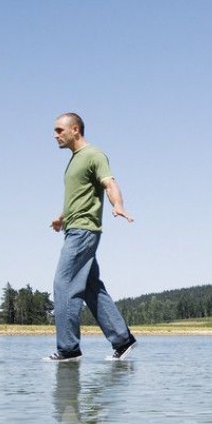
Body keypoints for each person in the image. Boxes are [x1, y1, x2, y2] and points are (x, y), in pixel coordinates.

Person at [46, 112, 137, 362]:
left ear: (75, 130)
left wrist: (117, 205)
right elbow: (79, 198)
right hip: (74, 227)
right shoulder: (75, 160)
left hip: (83, 231)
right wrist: (61, 217)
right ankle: (122, 339)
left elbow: (109, 183)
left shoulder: (94, 155)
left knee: (62, 283)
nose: (55, 136)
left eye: (59, 130)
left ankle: (68, 348)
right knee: (89, 287)